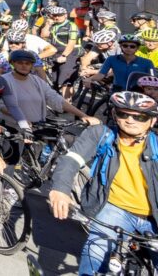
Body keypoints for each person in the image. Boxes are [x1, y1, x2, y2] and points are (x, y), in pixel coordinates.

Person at [49, 91, 158, 275]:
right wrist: (60, 188)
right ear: (115, 114)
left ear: (152, 121)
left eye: (139, 117)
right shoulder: (100, 134)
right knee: (95, 253)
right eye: (124, 114)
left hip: (153, 215)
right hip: (114, 209)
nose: (130, 120)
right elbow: (71, 160)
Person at [2, 50, 99, 126]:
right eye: (20, 63)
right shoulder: (4, 80)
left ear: (32, 65)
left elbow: (56, 99)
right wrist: (22, 120)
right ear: (13, 63)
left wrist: (84, 115)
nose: (24, 66)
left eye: (27, 63)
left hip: (38, 127)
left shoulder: (36, 80)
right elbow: (2, 106)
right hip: (13, 128)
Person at [87, 34, 155, 91]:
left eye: (132, 46)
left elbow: (153, 81)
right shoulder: (111, 59)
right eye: (125, 46)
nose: (128, 48)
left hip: (137, 92)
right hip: (117, 91)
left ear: (137, 48)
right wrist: (89, 79)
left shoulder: (147, 62)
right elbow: (101, 75)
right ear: (120, 46)